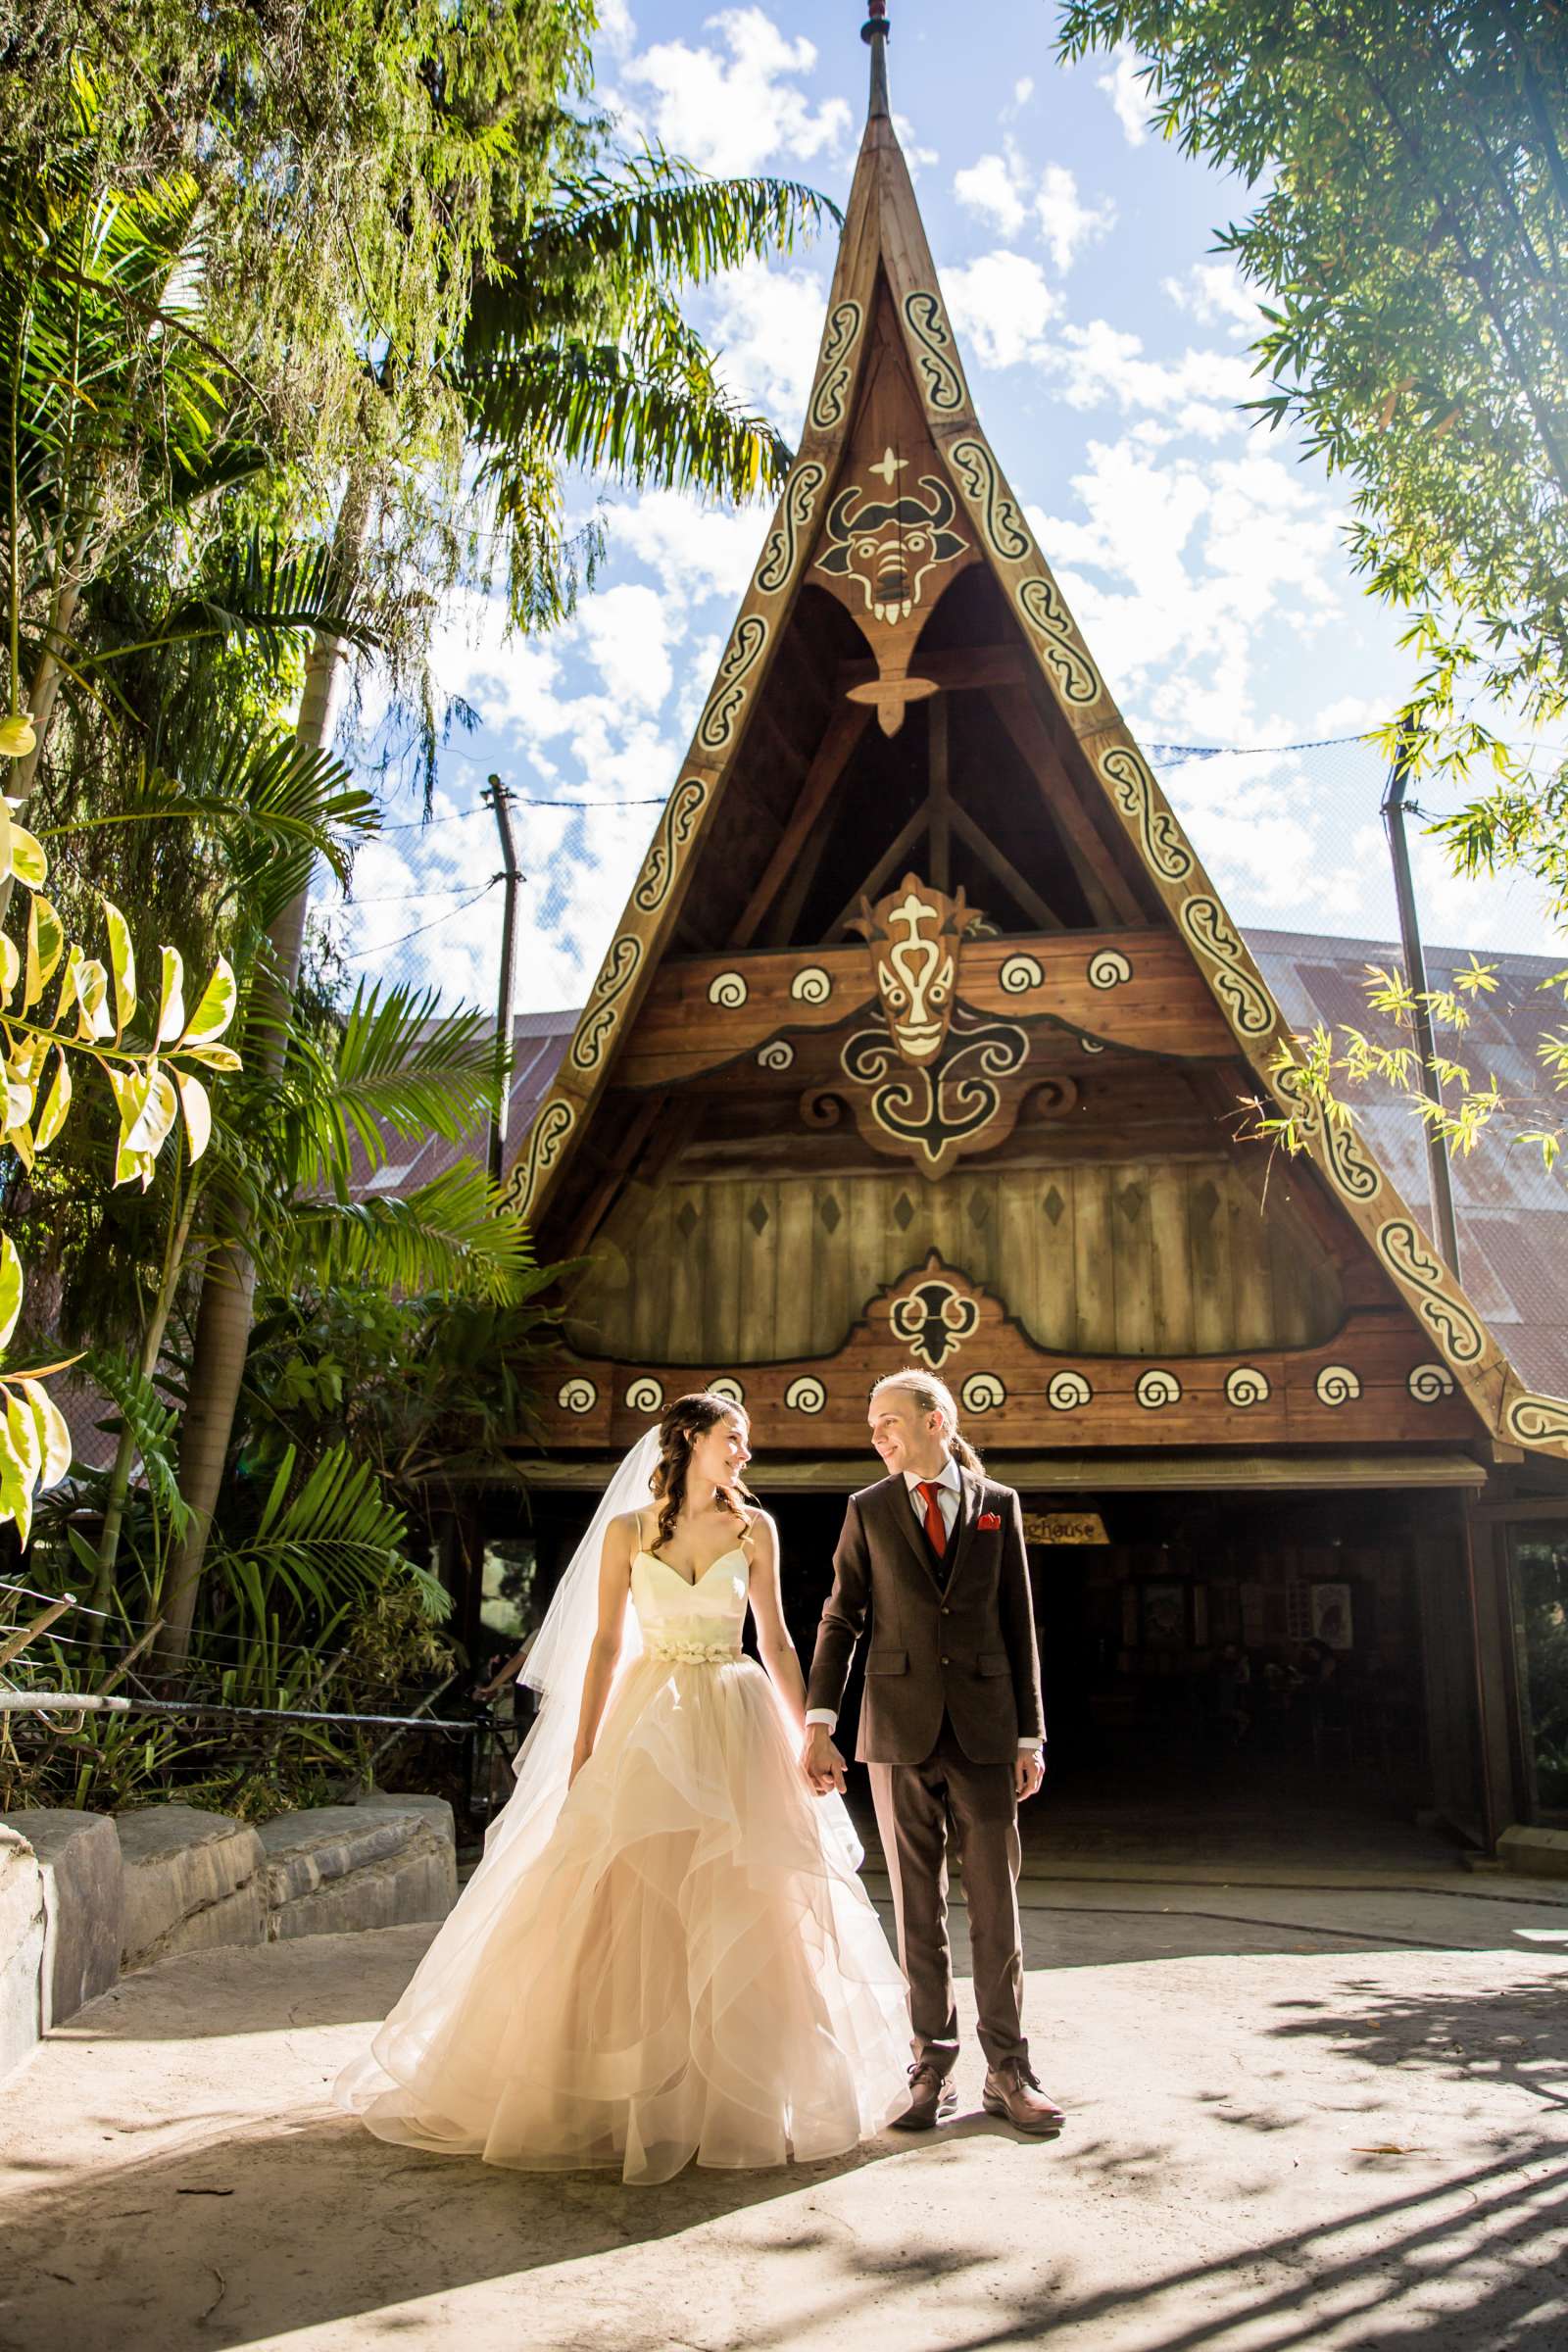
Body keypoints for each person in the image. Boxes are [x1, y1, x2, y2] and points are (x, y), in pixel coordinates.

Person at [334, 1393, 911, 2185]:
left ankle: (739, 2094)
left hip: (738, 1717)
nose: (745, 1453)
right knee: (629, 1896)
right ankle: (621, 2095)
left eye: (746, 1442)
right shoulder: (627, 1532)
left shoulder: (756, 1529)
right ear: (689, 1442)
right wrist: (583, 1753)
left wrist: (811, 1731)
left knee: (746, 1893)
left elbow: (775, 1638)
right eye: (733, 1439)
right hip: (652, 1715)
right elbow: (604, 1647)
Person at [803, 1369, 1065, 2138]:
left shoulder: (1000, 1507)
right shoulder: (868, 1509)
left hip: (986, 1732)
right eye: (872, 1427)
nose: (878, 1436)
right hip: (896, 1730)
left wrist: (1030, 1735)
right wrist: (820, 1719)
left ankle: (1009, 2071)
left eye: (889, 1421)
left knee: (995, 1906)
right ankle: (930, 2065)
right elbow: (840, 1617)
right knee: (918, 1908)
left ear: (936, 1421)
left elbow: (1019, 1624)